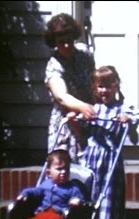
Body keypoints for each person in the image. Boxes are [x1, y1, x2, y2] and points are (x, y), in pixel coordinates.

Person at [67, 65, 139, 219]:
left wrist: (130, 124)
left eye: (108, 86)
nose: (104, 91)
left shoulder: (124, 110)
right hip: (90, 164)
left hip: (110, 166)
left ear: (116, 86)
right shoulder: (92, 110)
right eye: (100, 87)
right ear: (94, 88)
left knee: (106, 210)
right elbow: (82, 136)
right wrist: (75, 121)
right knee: (88, 206)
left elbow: (134, 139)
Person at [44, 13, 96, 163]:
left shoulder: (84, 53)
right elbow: (61, 96)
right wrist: (82, 107)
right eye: (61, 42)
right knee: (67, 174)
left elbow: (94, 78)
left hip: (89, 120)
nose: (67, 45)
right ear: (54, 42)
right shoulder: (54, 65)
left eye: (69, 40)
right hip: (67, 125)